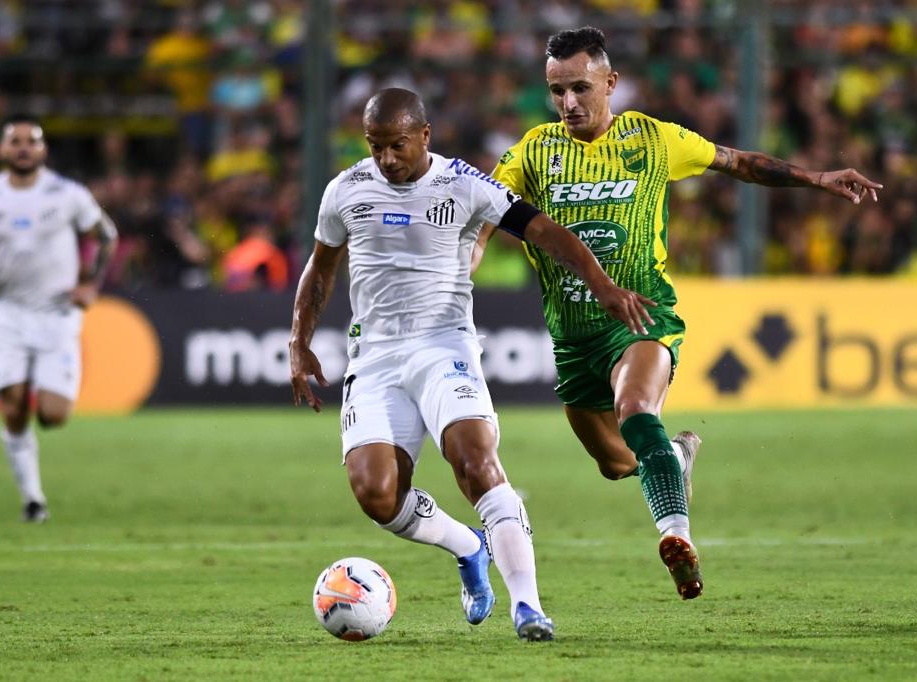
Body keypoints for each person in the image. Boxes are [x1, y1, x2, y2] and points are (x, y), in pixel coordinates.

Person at [473, 27, 883, 600]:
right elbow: (486, 209)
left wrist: (815, 178)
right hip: (573, 340)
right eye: (557, 91)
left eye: (581, 88)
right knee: (618, 464)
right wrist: (469, 252)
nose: (569, 103)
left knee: (637, 409)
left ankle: (676, 537)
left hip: (642, 316)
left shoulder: (652, 138)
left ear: (611, 82)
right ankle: (677, 455)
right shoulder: (534, 150)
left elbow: (736, 162)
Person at [289, 88, 656, 641]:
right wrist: (299, 340)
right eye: (376, 146)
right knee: (377, 495)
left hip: (444, 346)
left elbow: (547, 232)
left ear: (424, 136)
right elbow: (320, 269)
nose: (386, 159)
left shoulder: (463, 182)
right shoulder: (345, 189)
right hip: (376, 356)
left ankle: (528, 607)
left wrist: (601, 285)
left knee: (475, 460)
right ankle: (467, 547)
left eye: (397, 146)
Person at [0, 115, 118, 523]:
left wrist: (91, 283)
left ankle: (33, 484)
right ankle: (33, 499)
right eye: (15, 141)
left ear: (42, 150)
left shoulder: (67, 194)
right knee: (12, 404)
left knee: (53, 415)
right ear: (2, 150)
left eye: (31, 141)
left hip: (57, 313)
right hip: (6, 312)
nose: (23, 147)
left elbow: (106, 236)